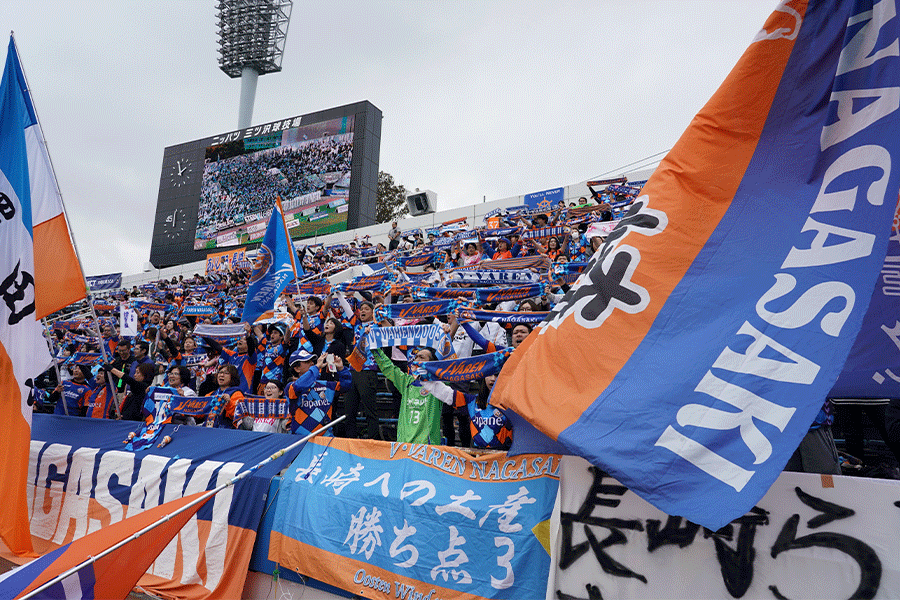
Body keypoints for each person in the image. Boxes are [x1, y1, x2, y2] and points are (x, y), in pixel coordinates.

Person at [373, 346, 444, 444]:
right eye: (416, 357)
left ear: (431, 364)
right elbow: (387, 366)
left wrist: (447, 336)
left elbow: (451, 367)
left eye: (421, 357)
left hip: (427, 449)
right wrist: (373, 346)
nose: (416, 360)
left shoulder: (438, 385)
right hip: (404, 446)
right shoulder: (406, 382)